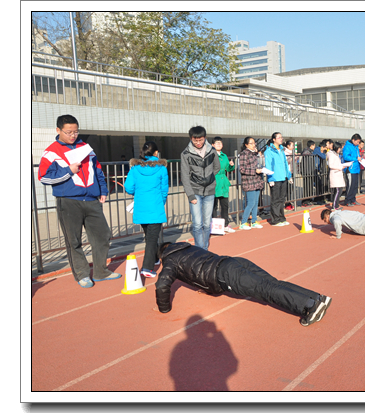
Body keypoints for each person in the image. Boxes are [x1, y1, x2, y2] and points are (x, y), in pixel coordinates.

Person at [155, 242, 332, 327]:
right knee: (272, 283)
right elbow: (199, 267)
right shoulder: (188, 246)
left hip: (225, 274)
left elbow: (162, 285)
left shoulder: (170, 260)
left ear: (163, 255)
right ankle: (316, 297)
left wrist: (164, 308)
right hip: (232, 261)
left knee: (266, 290)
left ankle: (308, 306)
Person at [38, 114, 121, 288]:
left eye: (76, 131)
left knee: (102, 235)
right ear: (58, 130)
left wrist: (103, 190)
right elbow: (44, 177)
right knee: (73, 240)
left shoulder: (86, 147)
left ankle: (100, 271)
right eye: (69, 132)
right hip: (68, 201)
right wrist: (68, 170)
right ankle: (82, 274)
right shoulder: (52, 151)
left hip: (91, 199)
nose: (73, 135)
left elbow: (97, 169)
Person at [123, 141, 168, 277]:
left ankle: (154, 259)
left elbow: (129, 187)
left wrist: (138, 191)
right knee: (152, 239)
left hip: (141, 207)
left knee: (149, 236)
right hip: (155, 206)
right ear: (155, 153)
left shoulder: (135, 168)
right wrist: (161, 202)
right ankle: (146, 268)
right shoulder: (161, 168)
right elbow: (164, 190)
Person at [181, 125, 220, 250]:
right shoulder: (186, 154)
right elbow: (185, 176)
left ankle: (205, 249)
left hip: (209, 191)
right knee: (197, 224)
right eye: (195, 140)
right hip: (195, 191)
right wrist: (190, 194)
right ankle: (199, 250)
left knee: (207, 223)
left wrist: (209, 177)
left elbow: (217, 167)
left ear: (205, 138)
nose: (198, 142)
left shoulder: (212, 151)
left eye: (201, 140)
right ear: (191, 139)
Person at [264, 132, 293, 226]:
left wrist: (289, 176)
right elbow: (268, 165)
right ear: (274, 139)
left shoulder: (281, 150)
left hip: (283, 177)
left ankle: (281, 217)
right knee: (275, 199)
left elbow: (285, 164)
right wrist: (270, 178)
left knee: (282, 198)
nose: (281, 139)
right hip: (275, 178)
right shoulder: (269, 151)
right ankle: (275, 219)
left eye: (281, 137)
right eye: (279, 137)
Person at [209, 137, 236, 234]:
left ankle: (225, 225)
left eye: (220, 143)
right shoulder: (211, 155)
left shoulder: (224, 156)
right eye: (216, 143)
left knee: (225, 205)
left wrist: (231, 165)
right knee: (214, 206)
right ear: (212, 145)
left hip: (223, 182)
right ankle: (213, 226)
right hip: (215, 182)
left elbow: (228, 169)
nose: (219, 145)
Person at [238, 137, 265, 230]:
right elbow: (242, 169)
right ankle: (244, 222)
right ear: (246, 145)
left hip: (257, 180)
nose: (254, 145)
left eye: (254, 143)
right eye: (251, 143)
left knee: (256, 202)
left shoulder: (255, 154)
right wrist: (255, 170)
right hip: (249, 181)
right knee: (251, 202)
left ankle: (254, 221)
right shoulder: (244, 154)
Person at [341, 133, 363, 206]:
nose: (358, 143)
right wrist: (356, 159)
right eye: (357, 142)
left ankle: (353, 199)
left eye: (359, 142)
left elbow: (358, 156)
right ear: (353, 140)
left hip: (356, 168)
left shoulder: (356, 147)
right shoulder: (347, 147)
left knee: (355, 186)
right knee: (350, 185)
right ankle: (347, 200)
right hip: (350, 169)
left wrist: (360, 159)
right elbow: (346, 157)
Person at [327, 142, 346, 210]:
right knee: (338, 191)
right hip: (335, 174)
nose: (340, 150)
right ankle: (334, 206)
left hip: (337, 174)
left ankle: (336, 205)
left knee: (339, 190)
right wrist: (340, 167)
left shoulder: (335, 154)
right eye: (339, 148)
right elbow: (331, 165)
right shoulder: (332, 155)